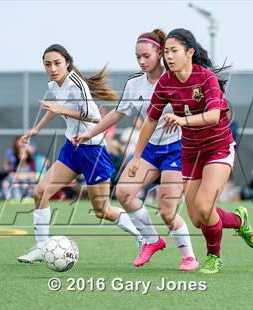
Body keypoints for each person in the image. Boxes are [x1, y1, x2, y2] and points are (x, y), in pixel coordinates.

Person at [128, 28, 253, 274]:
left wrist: (182, 121)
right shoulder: (166, 82)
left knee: (205, 205)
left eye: (174, 51)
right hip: (191, 152)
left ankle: (213, 257)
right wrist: (136, 157)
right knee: (198, 218)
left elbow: (213, 115)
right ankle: (239, 221)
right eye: (166, 52)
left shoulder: (205, 78)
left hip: (218, 147)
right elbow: (151, 121)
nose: (169, 57)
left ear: (190, 52)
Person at [74, 29, 198, 271]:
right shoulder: (135, 84)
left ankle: (189, 257)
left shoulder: (178, 78)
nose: (141, 61)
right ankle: (152, 240)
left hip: (177, 149)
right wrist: (91, 132)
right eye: (137, 57)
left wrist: (183, 118)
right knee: (123, 193)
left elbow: (197, 107)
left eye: (146, 56)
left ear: (160, 53)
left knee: (167, 210)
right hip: (149, 148)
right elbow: (119, 113)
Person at [17, 44, 144, 263]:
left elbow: (94, 118)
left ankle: (143, 237)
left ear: (67, 62)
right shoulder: (54, 85)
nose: (53, 68)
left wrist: (61, 110)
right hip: (71, 149)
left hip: (93, 151)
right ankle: (41, 247)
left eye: (57, 63)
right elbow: (55, 107)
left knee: (102, 210)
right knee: (40, 192)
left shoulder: (77, 83)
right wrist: (37, 128)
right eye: (48, 64)